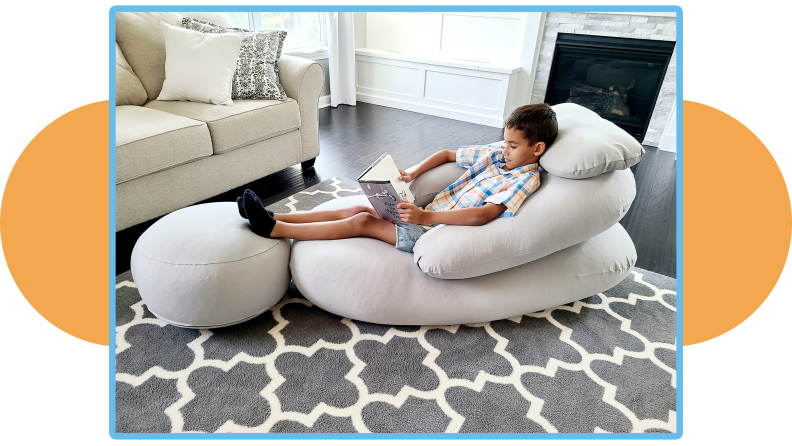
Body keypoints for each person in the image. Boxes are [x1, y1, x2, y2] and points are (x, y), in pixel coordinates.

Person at [237, 103, 558, 253]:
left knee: (362, 222)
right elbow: (447, 154)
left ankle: (274, 230)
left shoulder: (524, 180)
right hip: (421, 217)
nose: (505, 149)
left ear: (537, 149)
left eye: (513, 145)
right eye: (505, 141)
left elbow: (483, 214)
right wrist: (413, 172)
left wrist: (425, 215)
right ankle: (275, 214)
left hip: (434, 234)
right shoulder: (496, 156)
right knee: (357, 209)